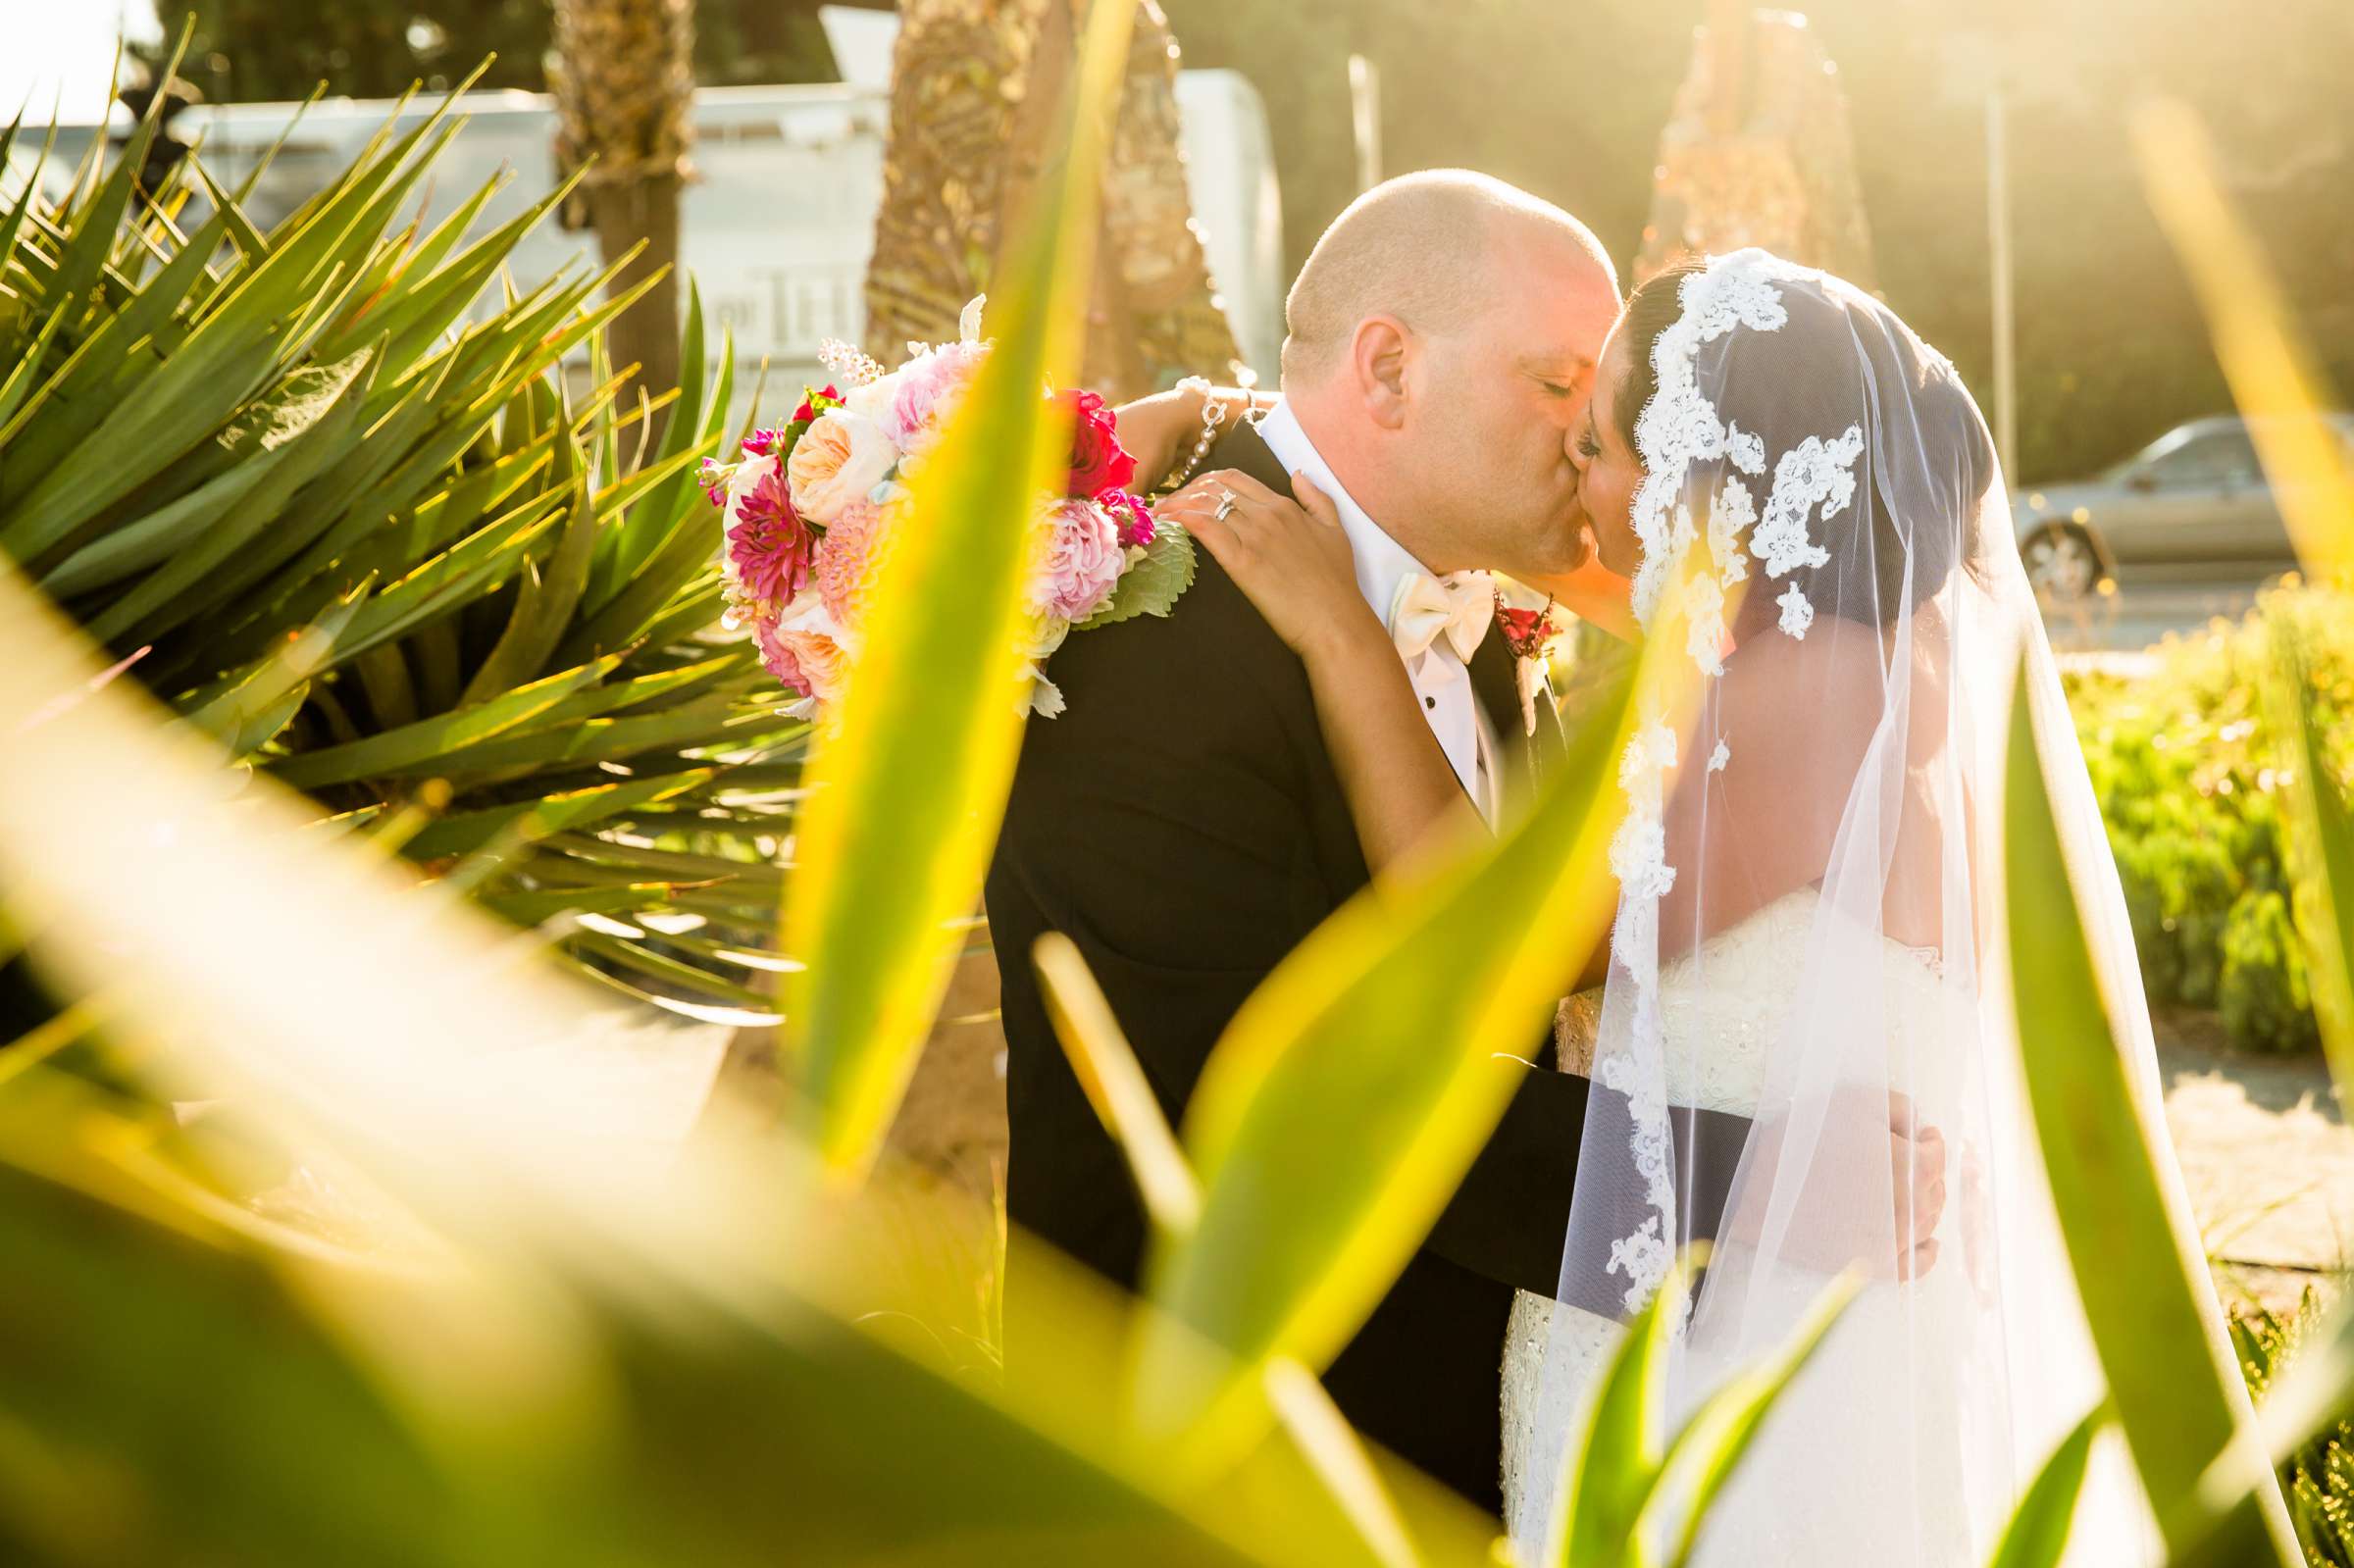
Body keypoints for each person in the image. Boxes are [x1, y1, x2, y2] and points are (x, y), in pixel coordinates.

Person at [1167, 247, 2185, 1561]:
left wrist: (1342, 639)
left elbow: (1489, 945)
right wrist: (1206, 420)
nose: (1570, 485)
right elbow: (1582, 565)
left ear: (1700, 476)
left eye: (1591, 443)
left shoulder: (1815, 690)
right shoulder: (1824, 647)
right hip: (1730, 1306)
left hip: (1771, 1359)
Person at [987, 172, 1946, 1518]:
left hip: (1541, 1439)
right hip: (1225, 1466)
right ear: (1387, 369)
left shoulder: (1499, 605)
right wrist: (1762, 1191)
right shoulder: (1153, 646)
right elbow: (1297, 1119)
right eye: (1562, 387)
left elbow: (1515, 960)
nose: (1591, 443)